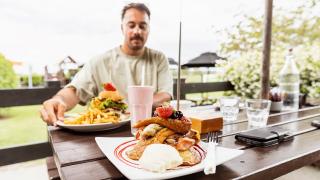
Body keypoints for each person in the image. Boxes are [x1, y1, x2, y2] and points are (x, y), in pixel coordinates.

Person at [40, 3, 173, 125]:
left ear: (148, 29)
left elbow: (165, 95)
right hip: (106, 132)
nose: (137, 31)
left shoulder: (158, 58)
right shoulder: (100, 61)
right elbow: (75, 91)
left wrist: (135, 106)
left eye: (142, 26)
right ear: (122, 28)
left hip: (148, 128)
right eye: (131, 25)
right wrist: (59, 101)